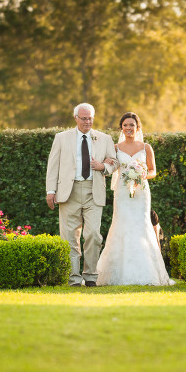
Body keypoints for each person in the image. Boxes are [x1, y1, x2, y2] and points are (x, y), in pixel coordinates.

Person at [96, 112, 174, 286]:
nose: (128, 128)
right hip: (122, 192)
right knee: (121, 225)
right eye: (125, 125)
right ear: (121, 128)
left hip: (141, 192)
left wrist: (143, 174)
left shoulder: (146, 147)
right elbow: (110, 166)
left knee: (141, 225)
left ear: (137, 127)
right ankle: (116, 273)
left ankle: (147, 271)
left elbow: (153, 170)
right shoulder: (115, 148)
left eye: (132, 125)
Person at [46, 103, 117, 287]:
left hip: (94, 191)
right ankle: (74, 279)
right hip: (68, 192)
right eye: (84, 118)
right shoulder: (61, 138)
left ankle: (91, 276)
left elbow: (115, 161)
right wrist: (50, 191)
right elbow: (53, 165)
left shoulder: (104, 138)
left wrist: (103, 167)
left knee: (93, 234)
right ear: (76, 118)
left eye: (90, 118)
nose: (87, 122)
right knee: (69, 236)